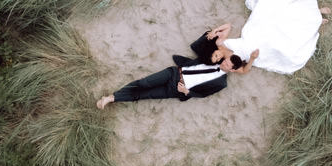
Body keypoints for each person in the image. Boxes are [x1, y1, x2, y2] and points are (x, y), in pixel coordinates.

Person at [208, 0, 331, 75]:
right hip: (259, 53)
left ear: (213, 51)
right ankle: (315, 21)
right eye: (217, 60)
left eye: (215, 56)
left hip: (251, 35)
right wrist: (252, 58)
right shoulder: (232, 66)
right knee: (285, 46)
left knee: (276, 18)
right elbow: (245, 71)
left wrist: (215, 30)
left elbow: (228, 26)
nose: (219, 58)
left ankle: (315, 13)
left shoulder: (220, 43)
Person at [96, 52, 245, 108]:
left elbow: (204, 94)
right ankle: (113, 95)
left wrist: (187, 92)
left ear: (232, 70)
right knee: (143, 83)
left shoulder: (221, 83)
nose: (224, 63)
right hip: (174, 73)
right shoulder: (213, 58)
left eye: (227, 65)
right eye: (225, 61)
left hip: (177, 89)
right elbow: (202, 45)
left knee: (145, 95)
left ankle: (111, 98)